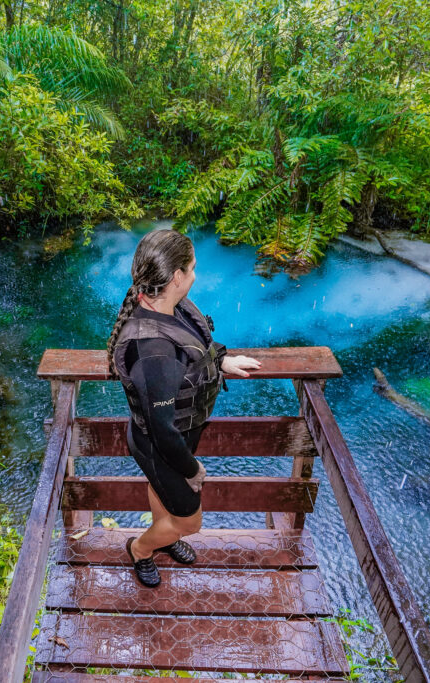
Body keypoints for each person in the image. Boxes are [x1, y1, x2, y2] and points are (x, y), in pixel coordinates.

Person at [106, 229, 261, 587]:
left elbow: (192, 346)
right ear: (176, 277)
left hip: (172, 438)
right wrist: (192, 470)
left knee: (162, 493)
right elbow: (161, 429)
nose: (195, 275)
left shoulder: (166, 305)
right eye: (191, 269)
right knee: (191, 521)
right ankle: (141, 549)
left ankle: (167, 534)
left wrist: (220, 360)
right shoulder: (152, 351)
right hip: (161, 445)